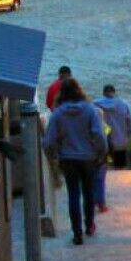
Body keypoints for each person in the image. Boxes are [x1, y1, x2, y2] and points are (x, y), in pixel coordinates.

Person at [43, 78, 108, 245]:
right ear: (79, 91)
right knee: (88, 192)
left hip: (68, 159)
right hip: (88, 158)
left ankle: (77, 233)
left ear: (61, 93)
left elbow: (48, 141)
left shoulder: (58, 113)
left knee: (73, 194)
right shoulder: (90, 110)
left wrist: (53, 156)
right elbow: (99, 135)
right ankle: (89, 225)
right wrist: (102, 152)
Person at [93, 84, 131, 213]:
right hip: (120, 142)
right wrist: (129, 135)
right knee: (120, 169)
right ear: (114, 92)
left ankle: (103, 194)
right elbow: (130, 121)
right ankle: (120, 192)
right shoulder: (124, 104)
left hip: (104, 143)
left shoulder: (95, 104)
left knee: (104, 169)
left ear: (104, 92)